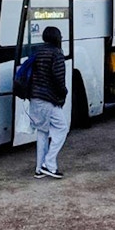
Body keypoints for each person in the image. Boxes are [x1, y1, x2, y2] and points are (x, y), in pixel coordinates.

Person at [29, 26, 68, 179]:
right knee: (62, 128)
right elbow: (58, 78)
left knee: (42, 132)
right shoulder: (56, 53)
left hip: (35, 97)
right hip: (48, 99)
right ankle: (49, 164)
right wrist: (63, 94)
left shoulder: (37, 51)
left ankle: (39, 169)